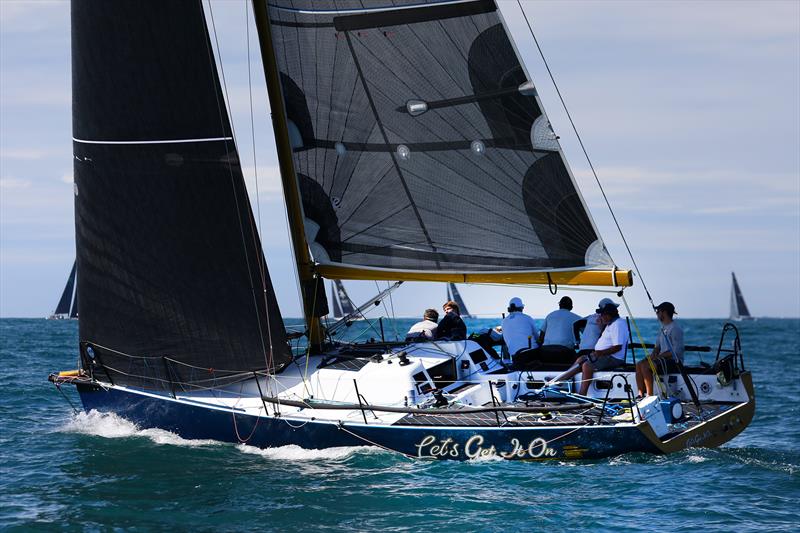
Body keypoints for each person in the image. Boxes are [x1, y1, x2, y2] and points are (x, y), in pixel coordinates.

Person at [558, 301, 628, 395]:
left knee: (587, 365)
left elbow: (617, 347)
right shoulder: (611, 323)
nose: (600, 317)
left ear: (608, 315)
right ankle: (561, 379)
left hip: (614, 358)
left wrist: (599, 353)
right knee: (581, 358)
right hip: (605, 355)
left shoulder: (618, 324)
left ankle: (582, 393)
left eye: (602, 315)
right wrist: (601, 327)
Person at [635, 302, 684, 398]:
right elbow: (657, 347)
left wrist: (658, 357)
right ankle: (640, 394)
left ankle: (649, 395)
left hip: (674, 362)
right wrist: (652, 355)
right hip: (662, 359)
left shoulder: (675, 328)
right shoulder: (662, 328)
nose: (657, 313)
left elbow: (676, 351)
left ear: (664, 313)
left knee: (646, 367)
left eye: (658, 311)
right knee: (639, 364)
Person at [501, 297, 540, 363]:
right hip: (531, 354)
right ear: (521, 308)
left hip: (515, 356)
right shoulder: (527, 318)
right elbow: (537, 338)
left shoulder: (504, 321)